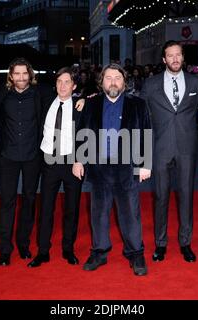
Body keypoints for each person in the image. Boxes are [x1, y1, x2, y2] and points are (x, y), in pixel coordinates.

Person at [72, 63, 152, 276]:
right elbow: (83, 132)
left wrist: (145, 163)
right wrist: (79, 160)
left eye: (117, 78)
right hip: (99, 168)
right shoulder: (92, 104)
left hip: (127, 167)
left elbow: (146, 133)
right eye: (108, 78)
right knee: (98, 213)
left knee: (130, 214)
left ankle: (136, 253)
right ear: (102, 82)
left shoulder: (138, 105)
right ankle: (99, 252)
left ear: (124, 82)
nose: (113, 82)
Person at [140, 40, 198, 263]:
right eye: (170, 55)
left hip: (187, 148)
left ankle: (186, 243)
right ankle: (161, 243)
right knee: (160, 198)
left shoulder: (196, 82)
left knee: (186, 197)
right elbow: (141, 117)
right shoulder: (150, 84)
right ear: (164, 59)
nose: (175, 59)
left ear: (183, 57)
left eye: (178, 55)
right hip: (160, 148)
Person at [0, 58, 52, 266]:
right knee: (7, 202)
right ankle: (4, 249)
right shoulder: (1, 94)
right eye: (16, 74)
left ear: (30, 75)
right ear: (10, 75)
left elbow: (65, 94)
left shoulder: (41, 94)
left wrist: (84, 99)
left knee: (29, 200)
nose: (20, 78)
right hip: (8, 156)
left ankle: (23, 244)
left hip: (31, 156)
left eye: (24, 73)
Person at [28, 67, 83, 267]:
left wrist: (80, 160)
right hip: (49, 160)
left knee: (71, 209)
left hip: (72, 162)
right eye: (59, 81)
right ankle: (43, 251)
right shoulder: (45, 100)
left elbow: (86, 132)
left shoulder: (80, 106)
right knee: (46, 208)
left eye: (67, 82)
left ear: (74, 86)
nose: (62, 85)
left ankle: (68, 249)